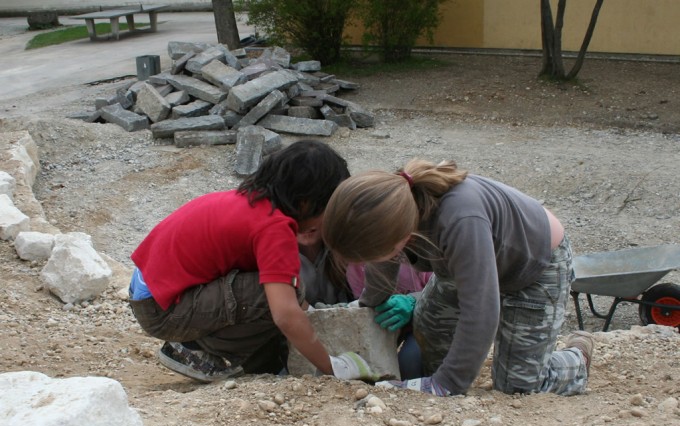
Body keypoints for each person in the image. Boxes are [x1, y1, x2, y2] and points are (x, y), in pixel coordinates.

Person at [322, 159, 595, 397]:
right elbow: (383, 263)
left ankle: (576, 358)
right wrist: (368, 303)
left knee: (518, 387)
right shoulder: (395, 209)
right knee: (429, 333)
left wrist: (447, 384)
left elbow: (481, 312)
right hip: (467, 265)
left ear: (399, 237)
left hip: (533, 268)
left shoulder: (461, 219)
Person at [128, 140, 377, 384]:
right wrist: (332, 367)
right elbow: (286, 315)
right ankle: (194, 350)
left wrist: (312, 314)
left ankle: (254, 363)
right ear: (306, 203)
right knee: (281, 296)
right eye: (330, 210)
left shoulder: (252, 202)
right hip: (163, 310)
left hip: (156, 293)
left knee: (282, 293)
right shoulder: (275, 227)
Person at [297, 225, 431, 380]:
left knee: (410, 363)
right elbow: (369, 310)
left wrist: (414, 300)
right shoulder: (355, 270)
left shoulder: (411, 250)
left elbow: (446, 290)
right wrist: (351, 309)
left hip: (429, 322)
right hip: (392, 331)